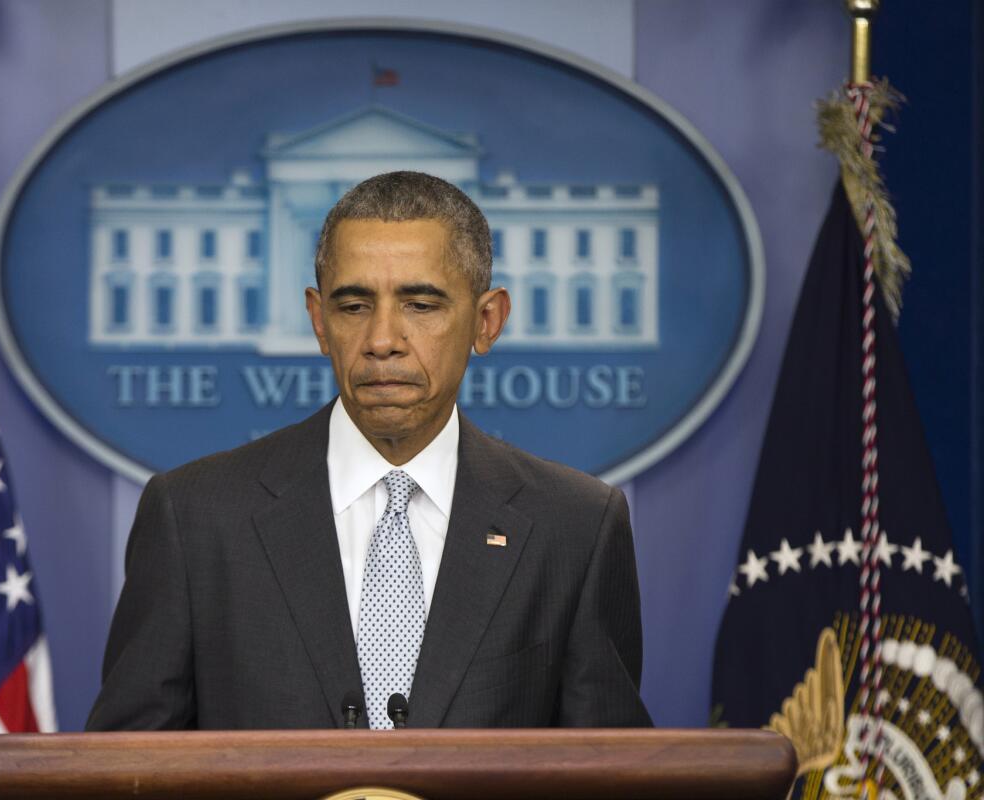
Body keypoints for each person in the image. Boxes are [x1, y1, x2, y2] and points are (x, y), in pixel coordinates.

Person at [86, 171, 651, 730]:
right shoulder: (194, 517)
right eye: (354, 306)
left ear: (487, 321)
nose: (382, 340)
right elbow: (127, 776)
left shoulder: (575, 527)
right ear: (319, 322)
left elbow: (606, 776)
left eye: (420, 305)